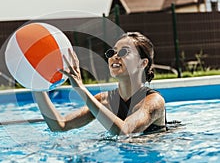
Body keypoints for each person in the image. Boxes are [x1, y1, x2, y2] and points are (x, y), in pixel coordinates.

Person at [33, 32, 166, 135]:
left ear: (142, 63)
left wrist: (81, 89)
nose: (115, 56)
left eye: (124, 51)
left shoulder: (154, 101)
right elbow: (60, 126)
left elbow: (125, 132)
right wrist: (36, 85)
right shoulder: (104, 100)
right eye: (112, 52)